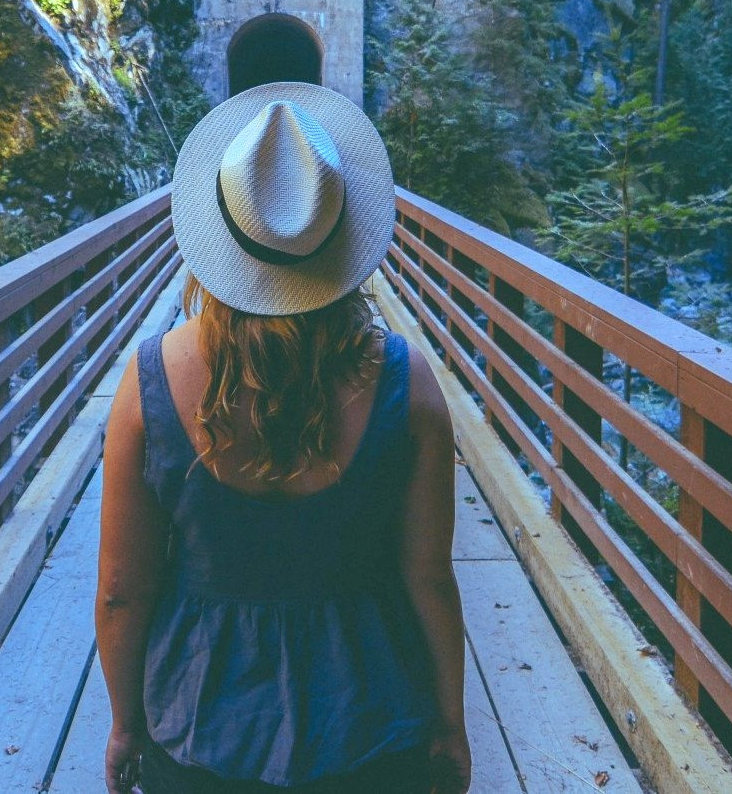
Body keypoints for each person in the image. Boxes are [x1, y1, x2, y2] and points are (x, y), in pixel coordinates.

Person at [95, 81, 472, 794]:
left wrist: (125, 724)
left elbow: (121, 591)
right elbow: (428, 576)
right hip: (370, 729)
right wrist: (450, 723)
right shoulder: (406, 381)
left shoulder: (148, 384)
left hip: (202, 732)